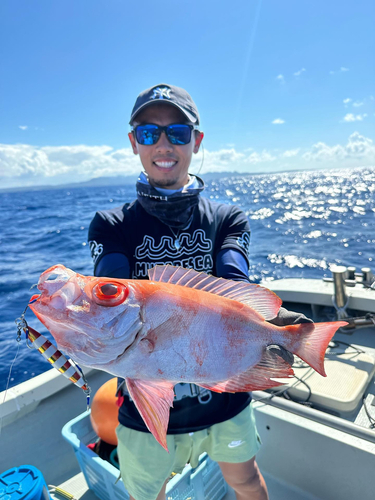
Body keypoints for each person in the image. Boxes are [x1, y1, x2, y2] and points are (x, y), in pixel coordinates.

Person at [88, 83, 311, 500]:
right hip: (144, 403)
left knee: (244, 479)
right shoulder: (110, 224)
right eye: (149, 132)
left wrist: (273, 328)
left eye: (177, 131)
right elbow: (111, 289)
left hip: (224, 395)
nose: (164, 143)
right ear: (134, 142)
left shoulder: (227, 218)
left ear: (197, 140)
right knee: (149, 493)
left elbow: (234, 279)